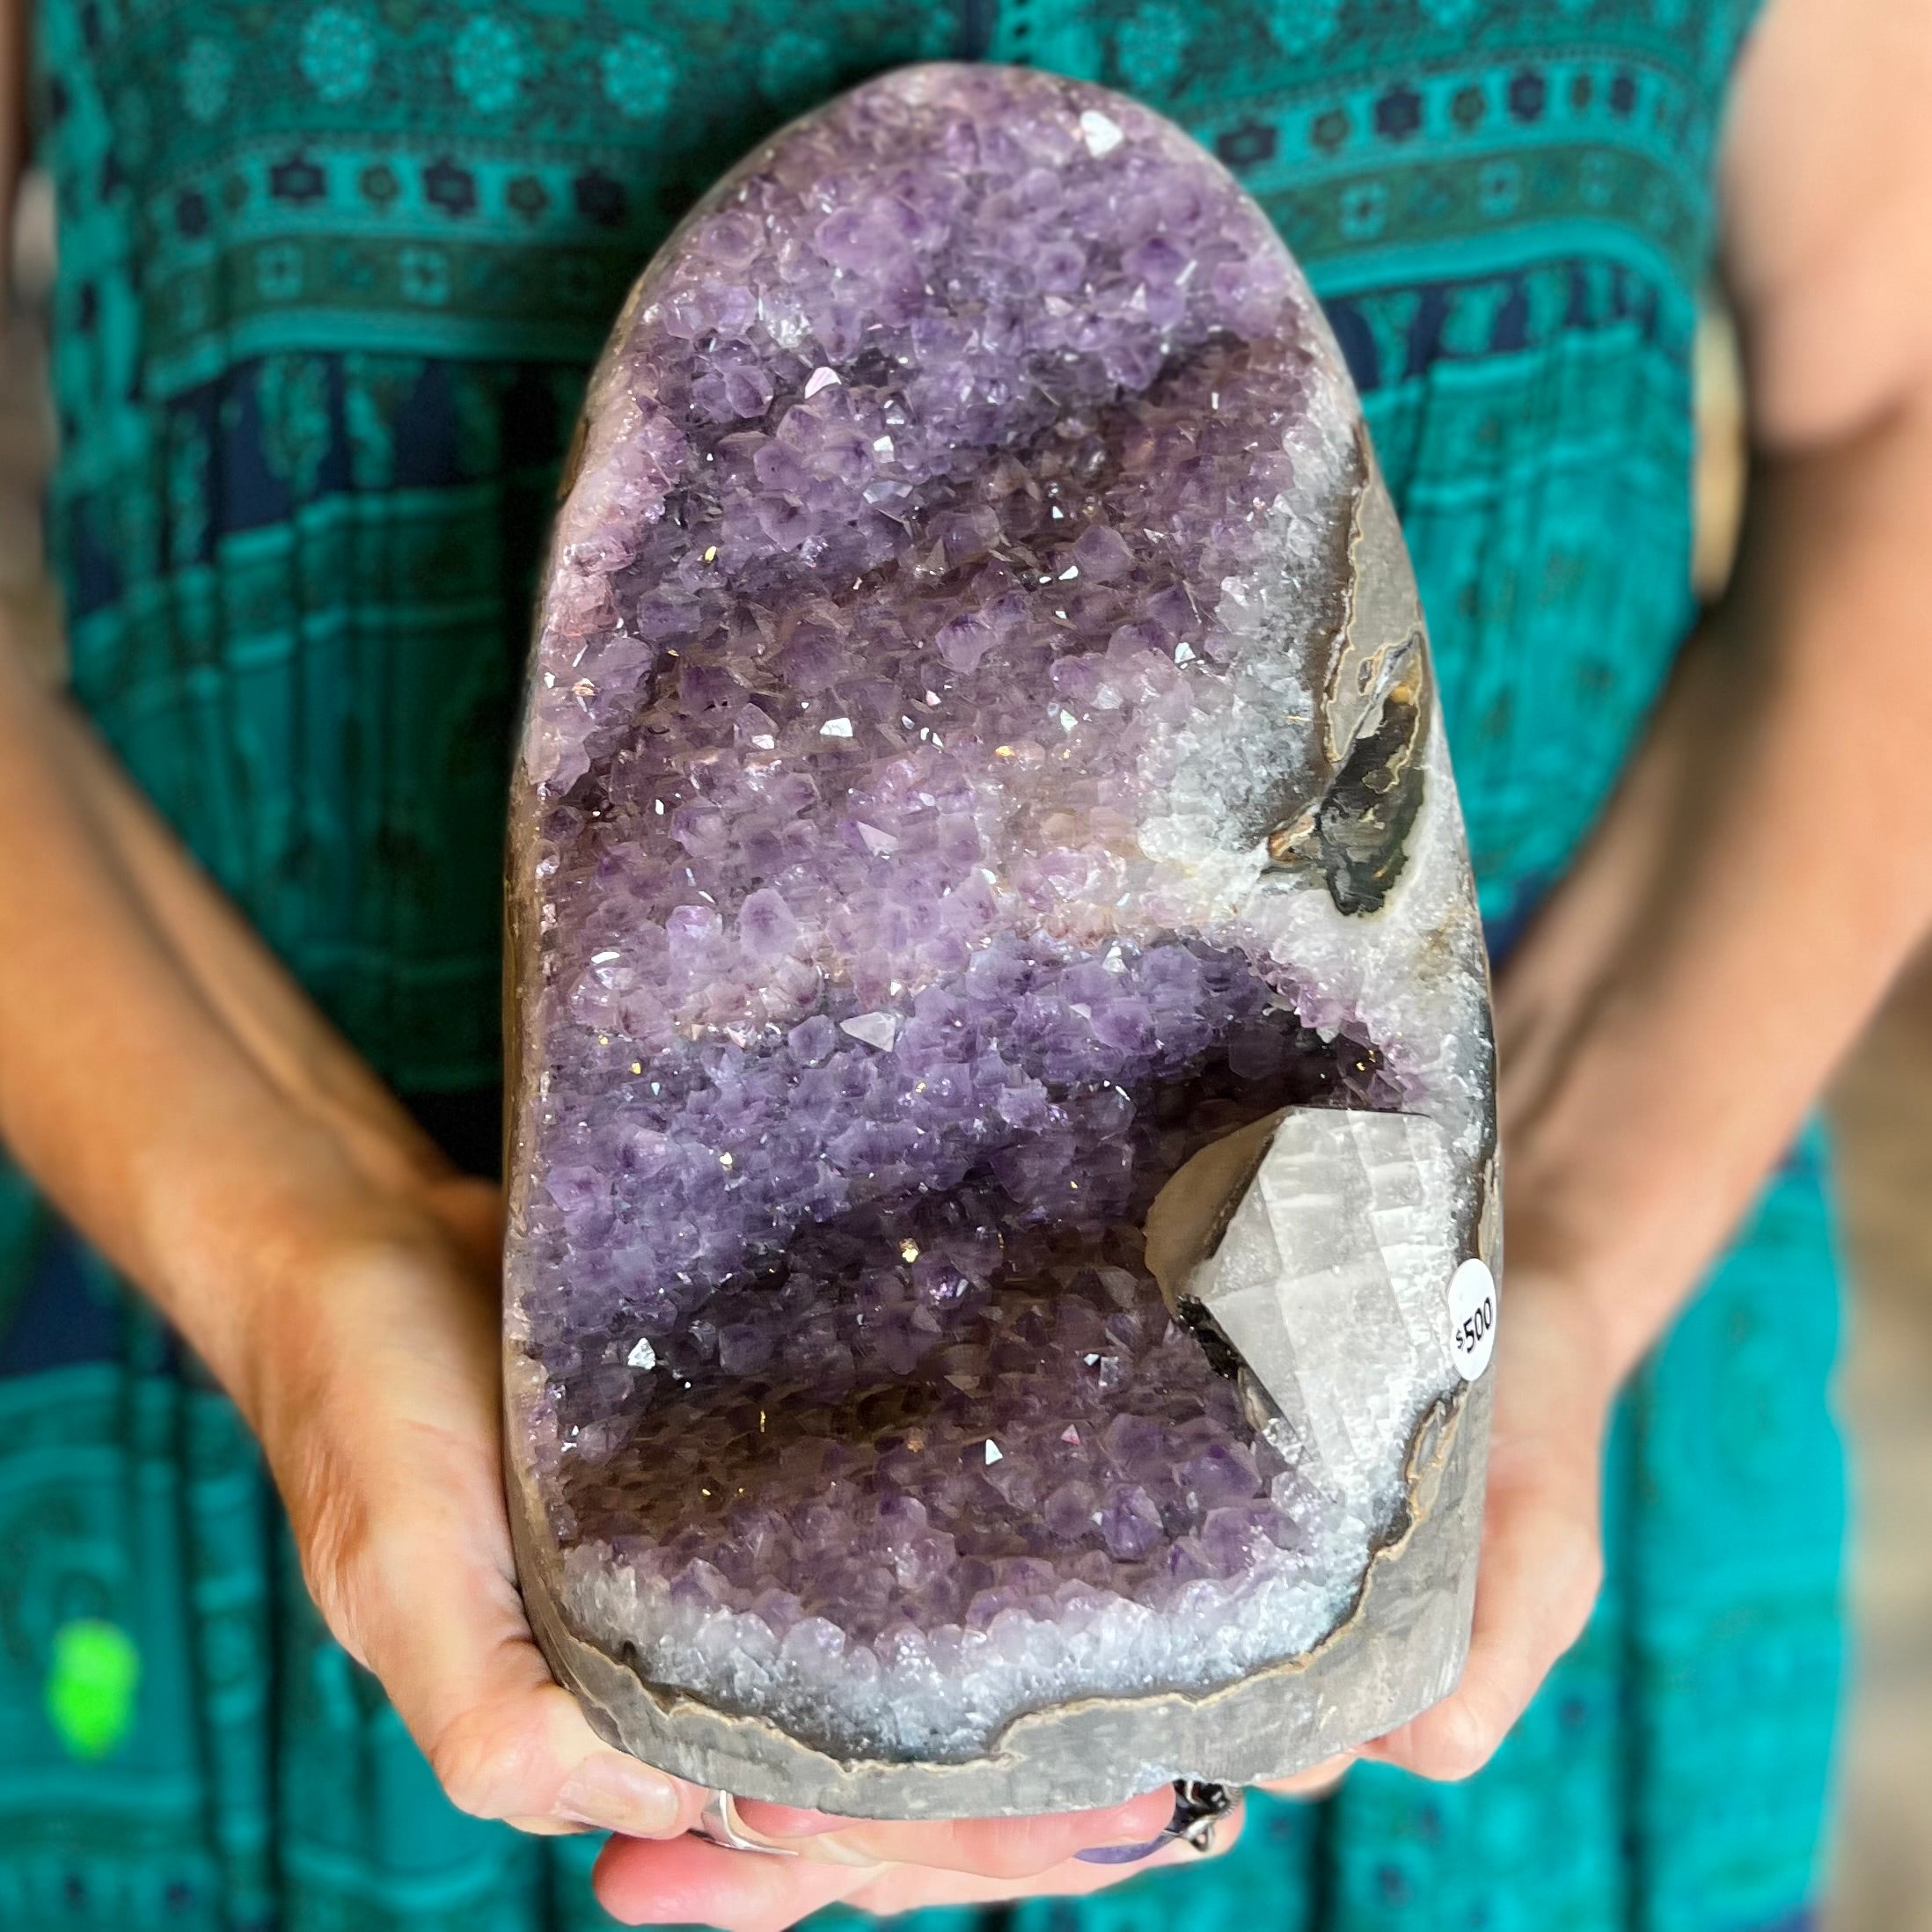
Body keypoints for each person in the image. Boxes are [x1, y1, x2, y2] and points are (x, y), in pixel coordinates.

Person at [1, 0, 1928, 1925]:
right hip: (316, 1451)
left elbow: (1901, 407)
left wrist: (1577, 1236)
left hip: (1487, 1430)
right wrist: (286, 1233)